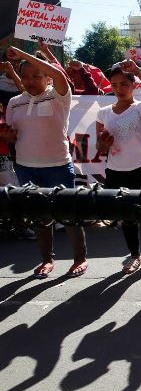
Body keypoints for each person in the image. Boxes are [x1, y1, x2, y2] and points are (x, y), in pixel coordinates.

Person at [0, 46, 87, 278]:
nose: (29, 81)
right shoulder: (14, 102)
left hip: (58, 166)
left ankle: (80, 258)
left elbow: (60, 75)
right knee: (40, 217)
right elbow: (13, 135)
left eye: (36, 75)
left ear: (47, 77)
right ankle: (47, 260)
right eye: (25, 76)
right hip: (27, 168)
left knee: (69, 215)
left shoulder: (59, 95)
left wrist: (25, 54)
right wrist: (8, 138)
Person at [95, 59, 141, 274]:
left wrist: (139, 70)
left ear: (134, 85)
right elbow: (99, 145)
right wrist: (103, 143)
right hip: (115, 171)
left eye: (124, 84)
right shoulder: (103, 112)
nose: (119, 89)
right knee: (127, 217)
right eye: (114, 85)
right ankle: (134, 256)